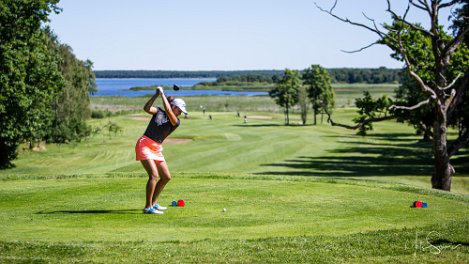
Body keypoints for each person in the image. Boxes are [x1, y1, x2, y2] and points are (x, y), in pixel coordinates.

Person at [135, 86, 187, 214]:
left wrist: (162, 93)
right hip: (144, 144)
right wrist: (156, 95)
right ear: (174, 107)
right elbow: (146, 108)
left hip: (156, 148)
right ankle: (148, 207)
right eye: (179, 110)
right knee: (153, 175)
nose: (180, 113)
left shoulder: (176, 122)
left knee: (166, 177)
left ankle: (153, 203)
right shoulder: (158, 112)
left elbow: (168, 110)